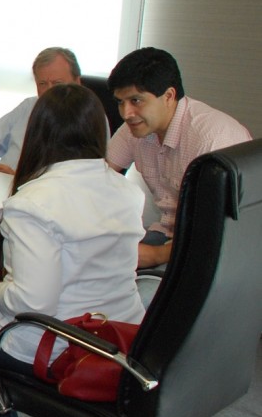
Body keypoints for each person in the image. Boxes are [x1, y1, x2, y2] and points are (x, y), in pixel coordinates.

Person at [0, 83, 147, 417]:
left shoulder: (33, 202)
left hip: (57, 345)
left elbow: (33, 302)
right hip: (117, 335)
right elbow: (83, 261)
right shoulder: (126, 191)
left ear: (39, 134)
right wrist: (8, 274)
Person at [106, 47, 251, 269]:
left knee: (133, 289)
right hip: (169, 236)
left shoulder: (210, 140)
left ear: (169, 96)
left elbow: (219, 233)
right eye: (120, 102)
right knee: (93, 265)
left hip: (219, 253)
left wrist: (156, 256)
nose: (126, 113)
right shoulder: (135, 128)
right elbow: (100, 177)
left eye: (136, 100)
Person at [0, 47, 83, 174]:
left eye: (57, 83)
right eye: (42, 83)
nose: (48, 91)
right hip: (0, 181)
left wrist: (17, 178)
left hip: (35, 186)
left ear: (77, 82)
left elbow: (73, 178)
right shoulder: (28, 106)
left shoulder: (87, 120)